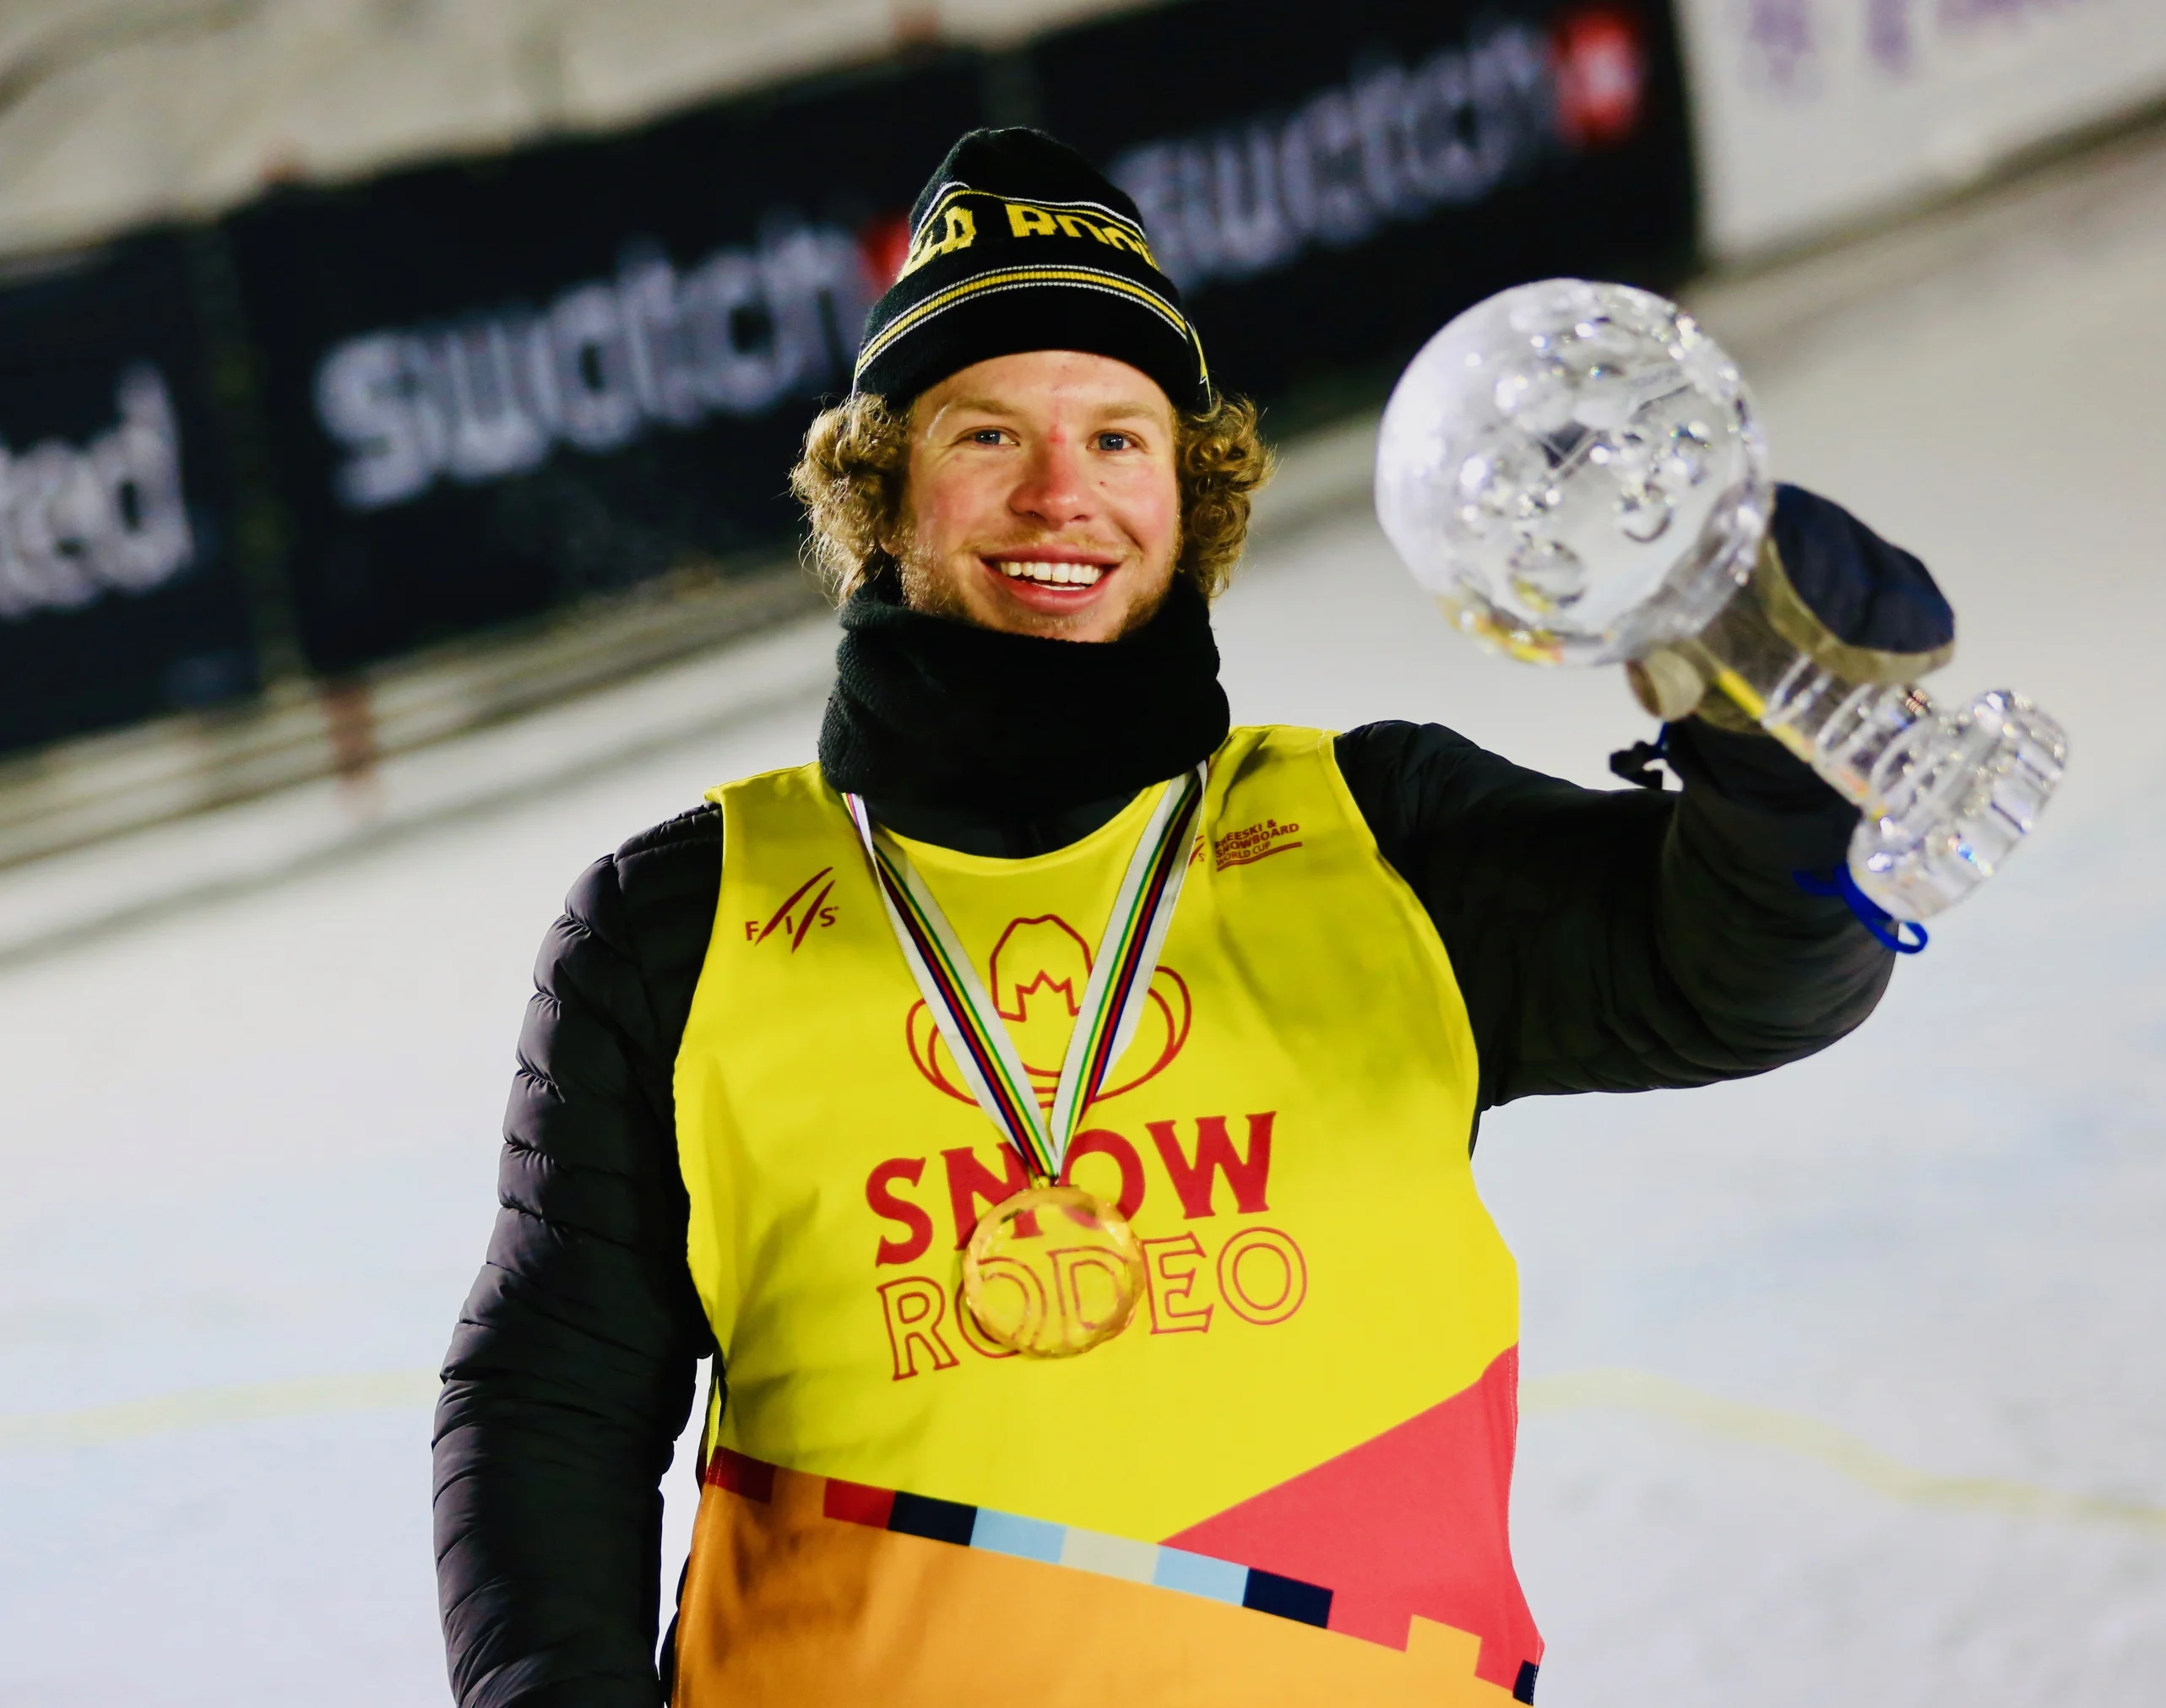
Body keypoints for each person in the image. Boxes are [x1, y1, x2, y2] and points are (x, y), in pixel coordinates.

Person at [435, 128, 1955, 1708]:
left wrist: (1786, 764)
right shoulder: (678, 924)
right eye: (986, 434)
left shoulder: (1380, 837)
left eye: (1118, 437)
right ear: (880, 491)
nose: (1060, 495)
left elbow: (1731, 976)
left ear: (1190, 488)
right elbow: (551, 1400)